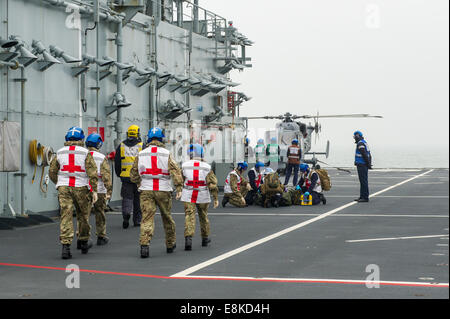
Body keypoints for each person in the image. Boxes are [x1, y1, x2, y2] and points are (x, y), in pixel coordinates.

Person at [130, 127, 183, 258]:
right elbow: (175, 171)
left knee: (147, 218)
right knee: (167, 217)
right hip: (163, 189)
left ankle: (144, 245)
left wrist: (138, 183)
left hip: (146, 189)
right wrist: (179, 187)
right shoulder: (166, 153)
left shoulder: (141, 153)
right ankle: (170, 244)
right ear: (161, 139)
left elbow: (133, 174)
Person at [49, 127, 98, 259]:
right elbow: (92, 173)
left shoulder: (59, 152)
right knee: (83, 215)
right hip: (81, 187)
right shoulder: (85, 152)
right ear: (81, 139)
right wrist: (94, 190)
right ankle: (83, 241)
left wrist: (59, 183)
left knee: (66, 215)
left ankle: (66, 247)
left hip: (64, 187)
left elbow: (52, 171)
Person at [179, 144, 219, 251]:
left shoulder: (184, 165)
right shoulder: (207, 167)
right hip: (202, 195)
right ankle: (205, 238)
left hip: (188, 194)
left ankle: (188, 238)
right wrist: (215, 198)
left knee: (189, 216)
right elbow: (212, 184)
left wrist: (179, 191)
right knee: (203, 216)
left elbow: (181, 180)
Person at [85, 133, 112, 246]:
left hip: (84, 188)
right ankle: (101, 236)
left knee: (84, 215)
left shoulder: (83, 155)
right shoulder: (101, 158)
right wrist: (109, 191)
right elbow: (106, 176)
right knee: (100, 213)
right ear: (99, 144)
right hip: (100, 190)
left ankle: (83, 237)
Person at [114, 125, 143, 229]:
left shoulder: (121, 146)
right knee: (138, 199)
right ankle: (137, 221)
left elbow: (117, 162)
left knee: (127, 198)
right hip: (138, 178)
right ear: (137, 133)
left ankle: (126, 213)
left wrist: (119, 174)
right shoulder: (142, 146)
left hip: (125, 177)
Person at [353, 131, 372, 202]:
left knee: (363, 181)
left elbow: (364, 154)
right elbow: (369, 155)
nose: (354, 138)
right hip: (362, 164)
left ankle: (365, 197)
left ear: (358, 136)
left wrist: (368, 164)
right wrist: (369, 164)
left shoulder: (360, 143)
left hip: (362, 165)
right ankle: (362, 196)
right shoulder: (364, 142)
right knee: (362, 181)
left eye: (355, 137)